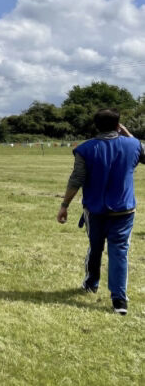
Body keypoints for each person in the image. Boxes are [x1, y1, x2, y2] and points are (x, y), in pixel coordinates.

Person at [57, 108, 144, 315]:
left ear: (95, 126)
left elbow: (76, 179)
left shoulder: (85, 149)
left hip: (95, 210)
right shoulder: (133, 145)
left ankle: (91, 282)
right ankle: (119, 300)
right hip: (124, 210)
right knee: (119, 252)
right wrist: (129, 135)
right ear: (118, 125)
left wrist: (65, 205)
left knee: (95, 247)